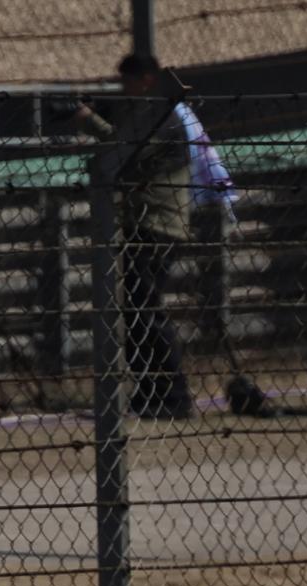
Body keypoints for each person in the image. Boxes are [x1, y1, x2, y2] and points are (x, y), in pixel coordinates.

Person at [74, 54, 195, 420]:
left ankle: (172, 397)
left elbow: (123, 150)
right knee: (138, 313)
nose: (123, 87)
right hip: (146, 224)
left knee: (146, 311)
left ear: (146, 80)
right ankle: (149, 395)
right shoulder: (143, 112)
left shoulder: (158, 116)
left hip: (158, 225)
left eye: (128, 81)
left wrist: (86, 119)